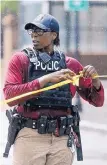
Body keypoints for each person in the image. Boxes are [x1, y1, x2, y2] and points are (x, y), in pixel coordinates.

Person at [3, 14, 104, 165]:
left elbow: (97, 101)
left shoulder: (71, 65)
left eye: (40, 30)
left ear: (54, 35)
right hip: (30, 136)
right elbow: (10, 97)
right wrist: (45, 80)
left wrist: (95, 82)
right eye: (32, 31)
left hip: (61, 139)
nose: (34, 34)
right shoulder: (20, 60)